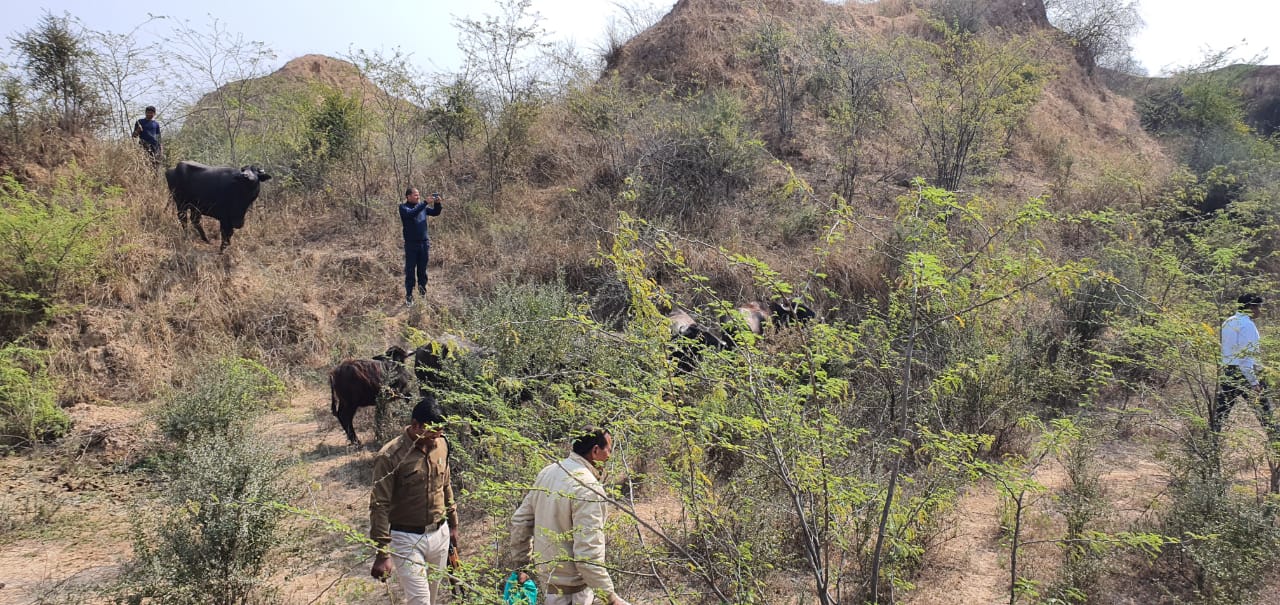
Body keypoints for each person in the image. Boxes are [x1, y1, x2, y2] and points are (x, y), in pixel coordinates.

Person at [506, 426, 632, 605]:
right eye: (609, 450)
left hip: (548, 583)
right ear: (595, 450)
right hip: (574, 593)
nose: (610, 456)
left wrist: (522, 566)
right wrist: (610, 598)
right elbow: (587, 556)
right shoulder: (588, 488)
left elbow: (520, 521)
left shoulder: (548, 472)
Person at [369, 397, 460, 605]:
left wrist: (453, 524)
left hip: (440, 533)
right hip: (406, 538)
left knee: (432, 596)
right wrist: (382, 553)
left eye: (439, 432)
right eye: (430, 433)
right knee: (420, 600)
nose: (435, 439)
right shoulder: (390, 456)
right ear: (415, 425)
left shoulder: (442, 444)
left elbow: (445, 484)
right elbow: (379, 505)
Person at [1215, 293, 1280, 442]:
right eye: (1258, 307)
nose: (1259, 311)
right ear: (1251, 307)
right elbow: (1246, 357)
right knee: (1266, 416)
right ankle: (1276, 449)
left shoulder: (1228, 322)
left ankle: (1209, 447)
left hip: (1229, 372)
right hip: (1246, 374)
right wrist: (1254, 382)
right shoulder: (1248, 325)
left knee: (1220, 415)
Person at [399, 188, 443, 305]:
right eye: (415, 195)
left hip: (424, 244)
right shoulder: (404, 208)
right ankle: (409, 296)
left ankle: (422, 294)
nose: (418, 197)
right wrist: (424, 203)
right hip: (411, 245)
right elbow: (411, 214)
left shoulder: (422, 207)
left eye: (418, 195)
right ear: (408, 196)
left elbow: (435, 213)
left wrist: (437, 203)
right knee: (410, 271)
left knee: (422, 271)